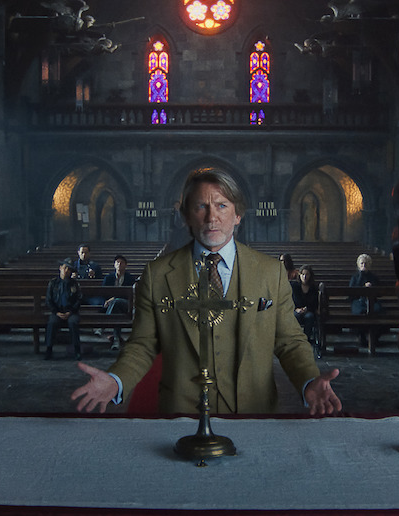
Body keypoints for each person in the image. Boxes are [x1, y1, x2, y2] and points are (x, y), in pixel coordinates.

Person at [71, 168, 342, 415]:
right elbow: (143, 344)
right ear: (187, 215)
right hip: (181, 414)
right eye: (201, 206)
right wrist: (117, 381)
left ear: (238, 215)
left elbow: (289, 341)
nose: (212, 217)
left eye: (222, 206)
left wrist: (308, 379)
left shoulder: (270, 272)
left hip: (254, 413)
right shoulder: (158, 274)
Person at [45, 258, 82, 360]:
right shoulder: (53, 283)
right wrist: (56, 312)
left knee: (73, 322)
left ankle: (77, 350)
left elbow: (79, 300)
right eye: (65, 268)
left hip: (71, 312)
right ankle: (49, 349)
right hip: (57, 311)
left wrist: (70, 311)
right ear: (60, 268)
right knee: (52, 323)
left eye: (69, 269)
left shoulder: (74, 284)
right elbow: (49, 300)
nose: (66, 271)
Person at [102, 254, 138, 349]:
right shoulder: (108, 278)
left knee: (117, 301)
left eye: (121, 263)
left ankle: (104, 324)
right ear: (114, 265)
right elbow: (103, 292)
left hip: (126, 304)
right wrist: (109, 300)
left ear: (126, 265)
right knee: (117, 313)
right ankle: (116, 341)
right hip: (113, 307)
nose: (119, 264)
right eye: (117, 262)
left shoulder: (130, 278)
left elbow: (131, 295)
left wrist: (114, 298)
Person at [349, 253, 383, 347]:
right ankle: (361, 336)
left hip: (372, 301)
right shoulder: (355, 277)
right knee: (360, 312)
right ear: (358, 265)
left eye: (366, 264)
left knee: (377, 311)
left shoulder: (374, 277)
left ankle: (374, 337)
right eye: (362, 263)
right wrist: (363, 287)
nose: (364, 266)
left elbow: (380, 292)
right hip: (358, 301)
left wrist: (372, 287)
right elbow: (351, 293)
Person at [291, 264, 321, 357]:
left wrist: (307, 309)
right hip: (296, 309)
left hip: (309, 311)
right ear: (299, 275)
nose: (304, 276)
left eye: (307, 274)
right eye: (302, 274)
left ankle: (306, 339)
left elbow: (315, 303)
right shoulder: (294, 286)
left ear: (310, 276)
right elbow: (290, 300)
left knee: (310, 317)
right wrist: (296, 309)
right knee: (295, 316)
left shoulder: (313, 288)